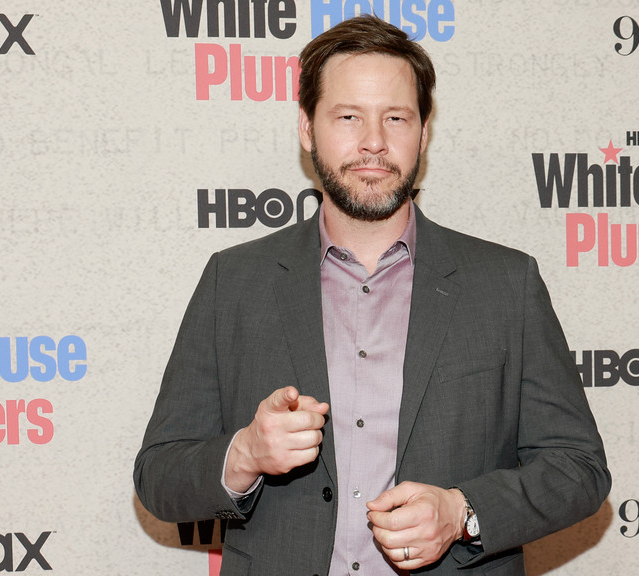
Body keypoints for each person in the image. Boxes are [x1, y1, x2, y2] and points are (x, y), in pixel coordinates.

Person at [135, 14, 610, 576]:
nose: (374, 142)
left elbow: (580, 469)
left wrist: (462, 511)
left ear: (423, 133)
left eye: (395, 117)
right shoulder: (233, 281)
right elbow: (158, 477)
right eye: (348, 116)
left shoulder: (506, 283)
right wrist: (245, 454)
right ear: (307, 130)